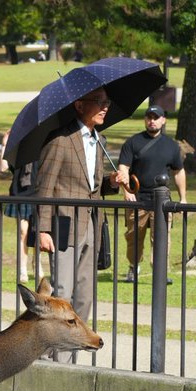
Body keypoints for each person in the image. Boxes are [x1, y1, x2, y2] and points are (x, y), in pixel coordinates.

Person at [33, 86, 118, 363]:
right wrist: (43, 229)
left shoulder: (99, 140)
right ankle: (51, 356)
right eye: (99, 102)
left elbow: (93, 187)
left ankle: (69, 359)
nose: (105, 107)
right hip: (64, 226)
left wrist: (112, 183)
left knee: (85, 295)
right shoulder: (60, 140)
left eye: (107, 101)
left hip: (91, 223)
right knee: (63, 294)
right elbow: (44, 187)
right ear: (80, 105)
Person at [114, 105, 187, 285]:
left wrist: (183, 198)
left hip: (162, 202)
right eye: (149, 117)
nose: (152, 120)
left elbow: (179, 172)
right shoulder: (133, 142)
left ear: (163, 120)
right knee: (133, 237)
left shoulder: (171, 146)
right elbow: (123, 167)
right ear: (145, 119)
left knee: (162, 238)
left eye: (156, 117)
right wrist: (126, 190)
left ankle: (160, 271)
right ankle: (133, 267)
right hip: (137, 199)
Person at [1, 127, 36, 284]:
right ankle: (23, 269)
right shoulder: (17, 150)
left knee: (37, 232)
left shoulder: (41, 148)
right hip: (20, 194)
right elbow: (2, 167)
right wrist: (4, 145)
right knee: (23, 232)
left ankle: (37, 264)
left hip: (38, 194)